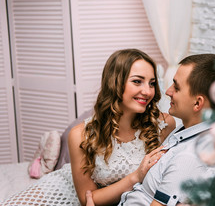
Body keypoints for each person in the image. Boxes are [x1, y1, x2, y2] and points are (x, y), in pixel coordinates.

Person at [1, 48, 176, 206]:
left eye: (152, 83)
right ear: (115, 83)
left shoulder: (164, 125)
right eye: (137, 81)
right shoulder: (80, 135)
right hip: (64, 191)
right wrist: (136, 177)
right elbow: (87, 198)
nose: (147, 91)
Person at [86, 53, 215, 205]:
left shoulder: (187, 155)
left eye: (176, 87)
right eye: (137, 81)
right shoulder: (183, 133)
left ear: (197, 103)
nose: (167, 91)